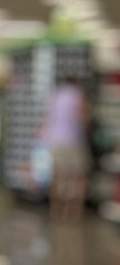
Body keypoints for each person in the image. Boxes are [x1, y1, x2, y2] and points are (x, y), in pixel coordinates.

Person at [38, 77, 92, 222]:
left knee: (58, 176)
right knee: (78, 178)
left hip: (56, 141)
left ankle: (56, 209)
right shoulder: (78, 94)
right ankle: (74, 211)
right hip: (74, 141)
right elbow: (83, 117)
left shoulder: (55, 94)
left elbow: (48, 119)